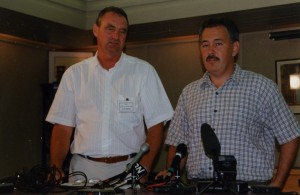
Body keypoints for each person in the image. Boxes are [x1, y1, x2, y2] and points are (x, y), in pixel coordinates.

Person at [159, 17, 300, 189]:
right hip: (199, 188)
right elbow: (177, 143)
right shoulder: (189, 93)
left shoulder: (262, 88)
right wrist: (171, 176)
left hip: (248, 188)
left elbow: (291, 137)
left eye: (218, 44)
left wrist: (277, 184)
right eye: (205, 45)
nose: (210, 51)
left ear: (234, 48)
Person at [46, 6, 174, 183]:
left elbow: (156, 126)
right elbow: (62, 127)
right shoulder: (75, 74)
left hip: (129, 168)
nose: (116, 36)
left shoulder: (144, 72)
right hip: (83, 169)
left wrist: (144, 167)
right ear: (96, 30)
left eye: (122, 31)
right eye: (110, 28)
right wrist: (56, 167)